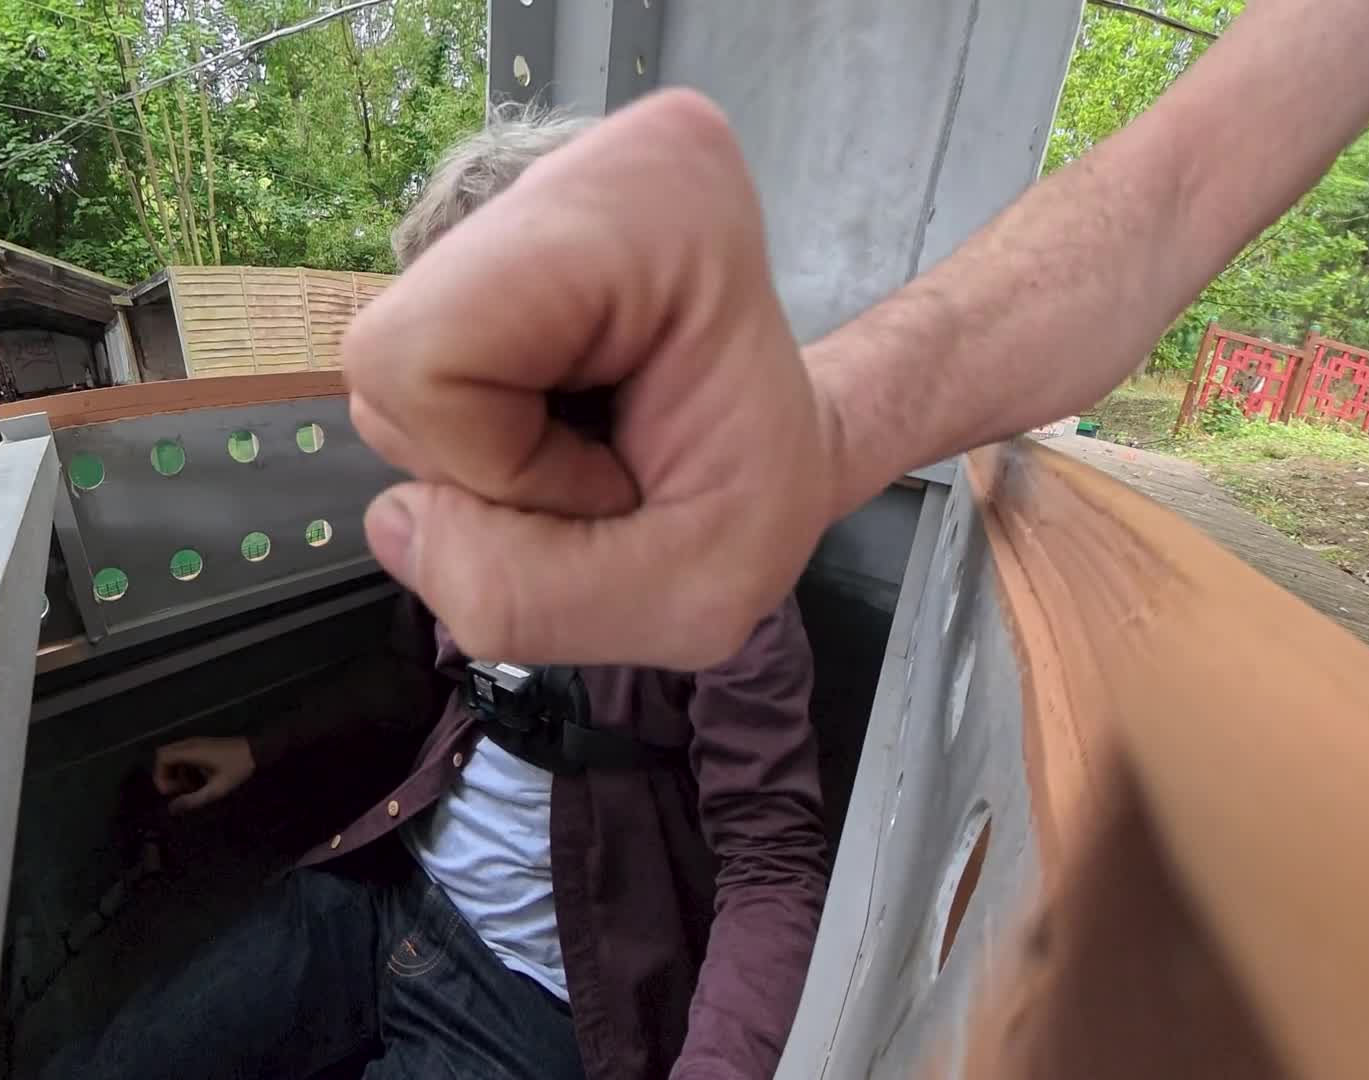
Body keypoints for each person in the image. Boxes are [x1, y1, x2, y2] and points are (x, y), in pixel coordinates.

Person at [339, 0, 1369, 674]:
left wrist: (819, 431)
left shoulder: (709, 604)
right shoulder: (489, 515)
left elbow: (768, 853)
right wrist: (820, 430)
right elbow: (1167, 194)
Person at [54, 111, 829, 1080]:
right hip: (386, 888)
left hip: (538, 999)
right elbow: (407, 676)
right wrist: (259, 747)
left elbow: (772, 865)